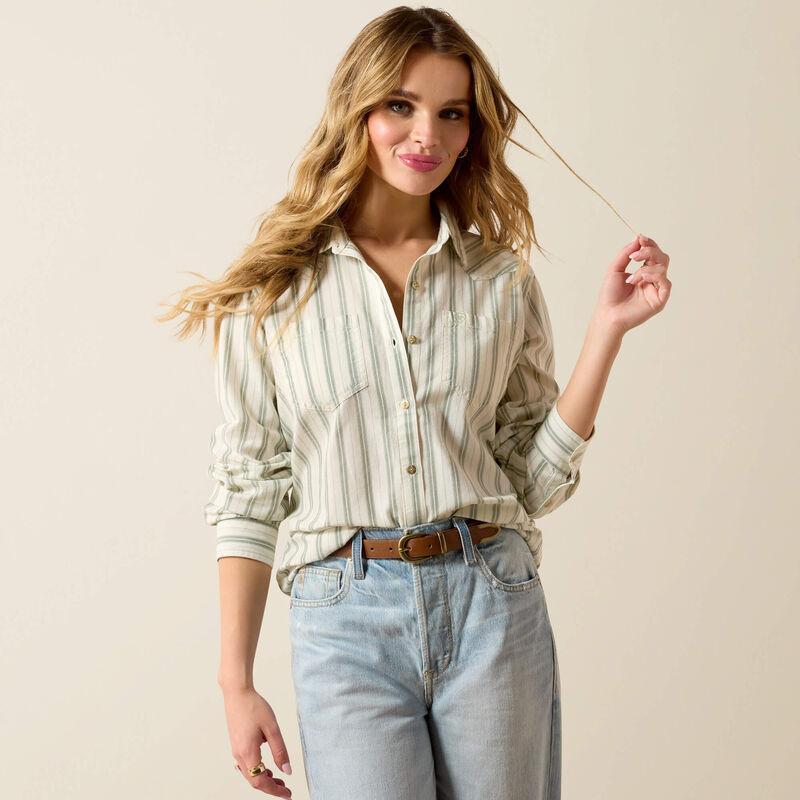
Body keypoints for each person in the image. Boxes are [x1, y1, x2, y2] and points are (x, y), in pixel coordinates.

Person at [159, 7, 671, 798]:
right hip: (344, 619)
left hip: (491, 601)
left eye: (451, 112)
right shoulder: (274, 294)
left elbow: (530, 481)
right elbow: (249, 492)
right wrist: (237, 683)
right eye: (400, 104)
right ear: (357, 109)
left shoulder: (500, 281)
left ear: (471, 132)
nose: (425, 134)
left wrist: (607, 331)